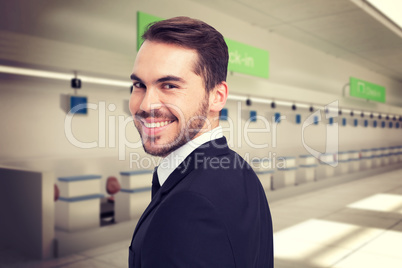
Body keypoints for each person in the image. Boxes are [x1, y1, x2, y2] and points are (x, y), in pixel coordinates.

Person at [128, 16, 273, 267]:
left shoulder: (189, 206)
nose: (145, 105)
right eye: (139, 85)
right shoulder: (240, 171)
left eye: (169, 85)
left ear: (217, 97)